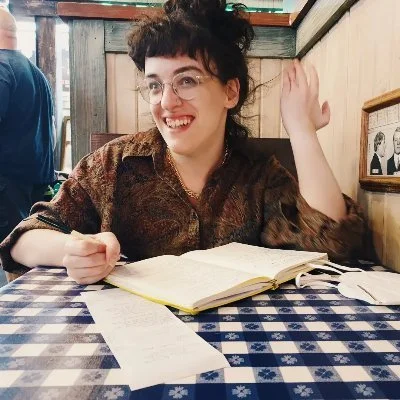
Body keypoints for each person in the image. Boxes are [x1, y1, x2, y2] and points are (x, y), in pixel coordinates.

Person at [0, 0, 365, 284]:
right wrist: (73, 250)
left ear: (230, 91)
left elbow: (332, 243)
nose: (167, 102)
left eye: (187, 81)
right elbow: (24, 238)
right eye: (155, 85)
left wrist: (302, 130)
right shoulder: (112, 166)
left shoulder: (259, 176)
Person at [0, 10, 55, 247]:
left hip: (6, 188)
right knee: (23, 252)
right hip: (35, 185)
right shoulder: (37, 74)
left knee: (8, 255)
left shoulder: (2, 67)